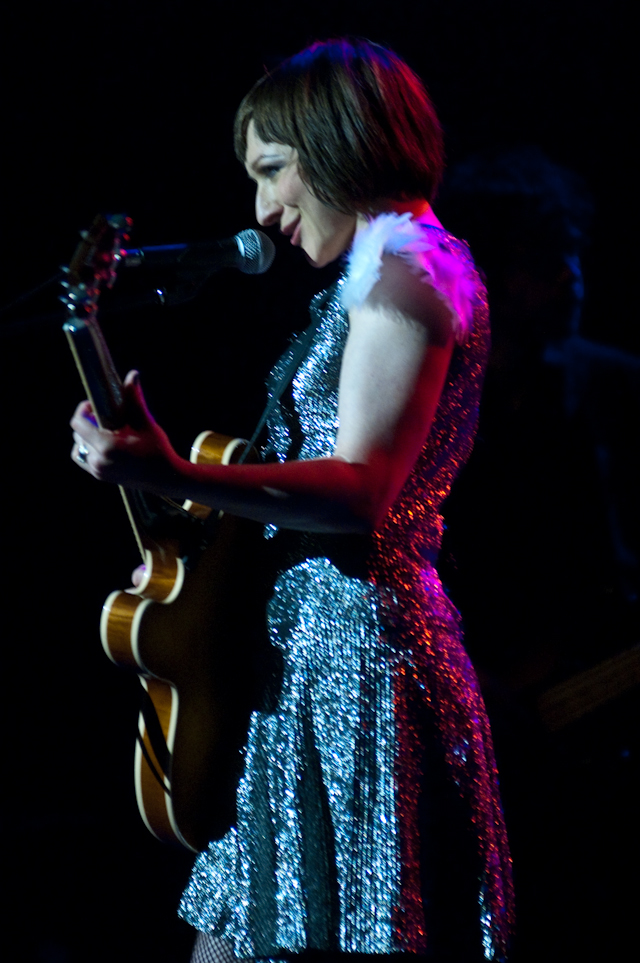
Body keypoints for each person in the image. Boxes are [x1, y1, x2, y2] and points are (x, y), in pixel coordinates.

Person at [71, 38, 514, 963]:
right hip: (307, 672)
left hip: (363, 674)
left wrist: (174, 473)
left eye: (273, 170)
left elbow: (360, 492)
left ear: (341, 142)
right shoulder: (375, 274)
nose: (262, 210)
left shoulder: (408, 273)